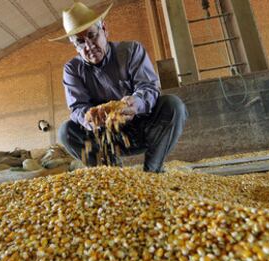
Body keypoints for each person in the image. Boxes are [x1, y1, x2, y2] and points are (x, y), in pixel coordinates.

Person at [50, 2, 188, 173]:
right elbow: (77, 108)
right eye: (80, 42)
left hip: (142, 129)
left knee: (173, 105)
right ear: (75, 46)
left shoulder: (131, 51)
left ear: (105, 30)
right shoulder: (72, 69)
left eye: (92, 36)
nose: (89, 46)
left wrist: (135, 103)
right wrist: (90, 118)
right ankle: (113, 174)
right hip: (106, 139)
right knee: (66, 131)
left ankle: (153, 172)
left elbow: (148, 87)